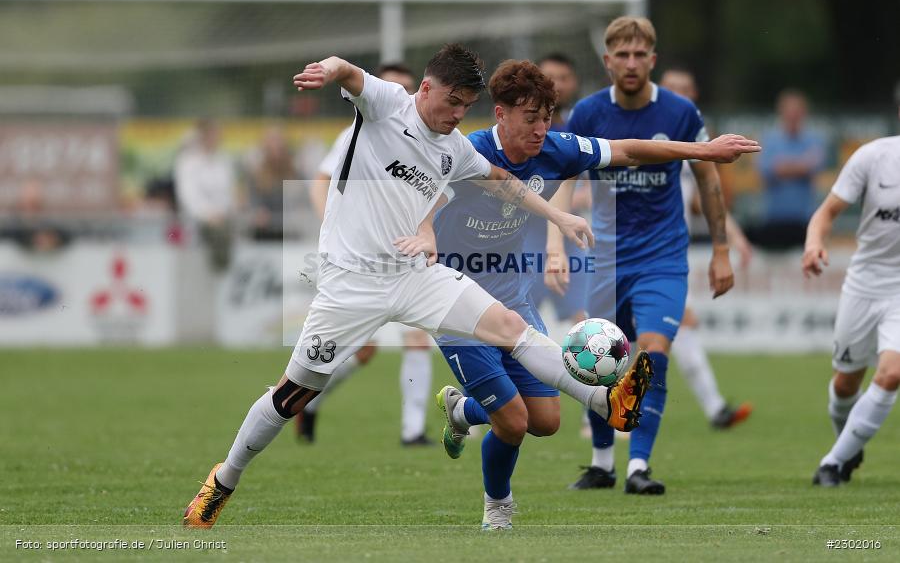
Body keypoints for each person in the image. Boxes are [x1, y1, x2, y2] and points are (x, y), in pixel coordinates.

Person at [182, 44, 654, 528]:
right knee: (291, 397)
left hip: (415, 275)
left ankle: (604, 400)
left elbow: (503, 180)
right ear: (425, 88)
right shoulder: (388, 104)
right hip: (351, 285)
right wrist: (329, 69)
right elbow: (349, 73)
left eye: (465, 106)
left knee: (508, 324)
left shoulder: (455, 148)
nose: (456, 115)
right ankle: (223, 479)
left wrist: (556, 213)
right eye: (451, 102)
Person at [429, 60, 759, 529]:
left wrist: (704, 150)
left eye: (547, 117)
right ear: (500, 114)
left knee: (545, 420)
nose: (542, 129)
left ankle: (462, 410)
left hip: (512, 299)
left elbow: (627, 150)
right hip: (455, 303)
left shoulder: (556, 148)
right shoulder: (467, 152)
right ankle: (497, 506)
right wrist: (420, 237)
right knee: (514, 422)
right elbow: (419, 194)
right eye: (530, 119)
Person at [561, 17, 738, 495]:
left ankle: (638, 465)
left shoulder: (680, 112)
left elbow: (707, 178)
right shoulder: (587, 113)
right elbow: (565, 178)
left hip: (662, 257)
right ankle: (602, 462)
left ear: (653, 60)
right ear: (608, 62)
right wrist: (556, 242)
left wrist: (721, 249)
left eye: (641, 55)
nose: (632, 63)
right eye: (623, 55)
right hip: (604, 258)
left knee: (653, 354)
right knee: (596, 359)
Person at [300, 62, 437, 447]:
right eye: (391, 86)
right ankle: (308, 401)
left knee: (417, 339)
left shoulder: (429, 139)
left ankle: (413, 430)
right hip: (358, 259)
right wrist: (332, 223)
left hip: (406, 253)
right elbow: (322, 180)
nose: (399, 95)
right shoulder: (356, 132)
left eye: (407, 88)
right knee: (358, 352)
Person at [806, 88, 900, 487]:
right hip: (865, 282)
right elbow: (826, 213)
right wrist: (814, 243)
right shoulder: (872, 157)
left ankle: (831, 463)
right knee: (846, 383)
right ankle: (847, 445)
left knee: (892, 373)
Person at [660, 68, 754, 430]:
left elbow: (705, 201)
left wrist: (735, 240)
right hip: (629, 253)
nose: (679, 95)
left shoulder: (694, 146)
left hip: (665, 254)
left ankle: (715, 410)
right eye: (671, 89)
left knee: (677, 327)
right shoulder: (641, 136)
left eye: (684, 89)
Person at [525, 54, 591, 328]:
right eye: (550, 78)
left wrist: (581, 197)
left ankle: (592, 369)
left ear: (574, 83)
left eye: (563, 78)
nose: (557, 85)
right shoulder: (521, 129)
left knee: (585, 323)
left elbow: (592, 183)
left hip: (569, 238)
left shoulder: (579, 131)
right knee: (519, 320)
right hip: (525, 237)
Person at [750, 89, 828, 250]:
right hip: (773, 218)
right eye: (789, 111)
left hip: (804, 219)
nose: (793, 115)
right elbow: (768, 169)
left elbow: (814, 164)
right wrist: (801, 165)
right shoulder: (769, 139)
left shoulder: (814, 139)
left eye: (797, 111)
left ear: (804, 113)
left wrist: (784, 165)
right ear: (781, 112)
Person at [174, 119, 237, 272]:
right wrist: (208, 214)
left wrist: (221, 212)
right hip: (198, 223)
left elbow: (229, 194)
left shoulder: (224, 161)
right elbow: (188, 197)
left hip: (222, 219)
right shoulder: (187, 162)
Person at [243, 125, 298, 242]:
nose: (275, 148)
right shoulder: (257, 175)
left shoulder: (294, 173)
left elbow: (299, 203)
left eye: (279, 143)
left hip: (289, 231)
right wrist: (258, 211)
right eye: (272, 144)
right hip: (265, 231)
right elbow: (252, 202)